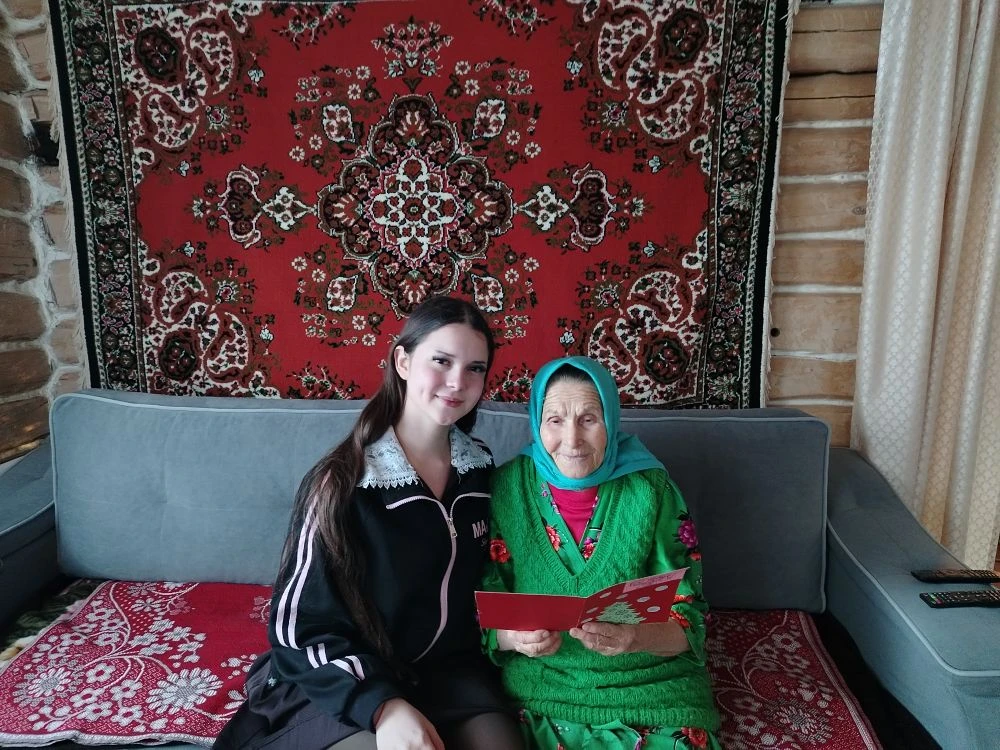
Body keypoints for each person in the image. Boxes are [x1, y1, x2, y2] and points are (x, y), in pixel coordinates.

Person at [215, 296, 523, 750]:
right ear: (403, 361)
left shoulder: (480, 473)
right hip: (349, 676)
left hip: (449, 674)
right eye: (441, 361)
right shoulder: (343, 483)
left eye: (474, 368)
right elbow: (298, 627)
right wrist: (384, 707)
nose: (458, 382)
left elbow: (492, 579)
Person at [481, 356, 721, 749]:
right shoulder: (508, 488)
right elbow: (484, 609)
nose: (572, 439)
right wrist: (513, 638)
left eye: (588, 419)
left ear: (610, 419)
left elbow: (691, 618)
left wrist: (635, 637)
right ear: (537, 424)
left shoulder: (650, 489)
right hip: (545, 689)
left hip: (649, 688)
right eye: (555, 420)